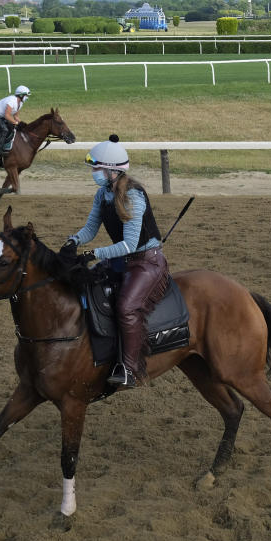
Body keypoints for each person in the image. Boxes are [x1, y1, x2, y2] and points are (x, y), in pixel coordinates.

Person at [63, 135, 169, 388]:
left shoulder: (133, 197)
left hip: (146, 263)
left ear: (112, 171)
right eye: (93, 168)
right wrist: (73, 241)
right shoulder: (103, 194)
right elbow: (90, 228)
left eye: (97, 168)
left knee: (125, 307)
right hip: (122, 262)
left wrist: (94, 254)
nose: (94, 173)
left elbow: (129, 246)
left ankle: (129, 370)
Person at [0, 85, 31, 161]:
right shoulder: (12, 101)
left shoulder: (20, 103)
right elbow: (7, 116)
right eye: (26, 95)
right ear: (21, 95)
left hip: (1, 115)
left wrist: (22, 124)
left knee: (13, 127)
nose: (27, 97)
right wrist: (16, 123)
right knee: (4, 129)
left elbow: (16, 117)